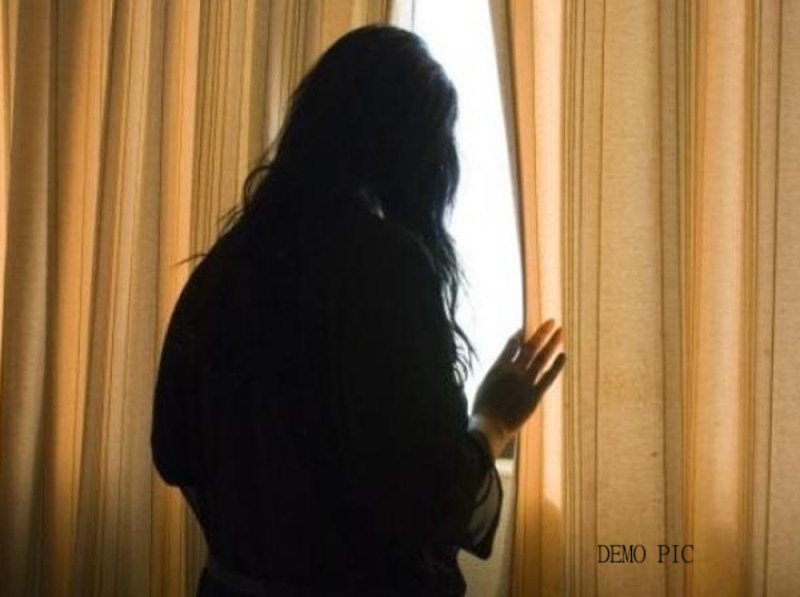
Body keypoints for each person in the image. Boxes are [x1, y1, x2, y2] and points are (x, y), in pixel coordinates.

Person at [151, 24, 566, 597]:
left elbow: (173, 453)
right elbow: (434, 495)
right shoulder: (386, 265)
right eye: (442, 140)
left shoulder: (227, 264)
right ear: (414, 150)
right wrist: (494, 418)